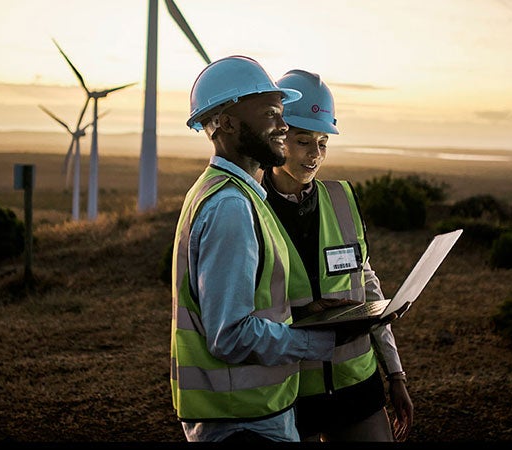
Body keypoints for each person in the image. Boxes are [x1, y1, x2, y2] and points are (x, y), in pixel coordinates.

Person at [169, 55, 371, 442]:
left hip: (251, 412)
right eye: (270, 114)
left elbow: (243, 304)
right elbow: (229, 335)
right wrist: (316, 341)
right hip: (240, 421)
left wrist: (302, 312)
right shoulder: (230, 205)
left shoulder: (238, 194)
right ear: (226, 123)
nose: (282, 125)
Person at [261, 69, 414, 442]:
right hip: (289, 391)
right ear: (278, 137)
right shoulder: (249, 207)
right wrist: (300, 314)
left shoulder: (342, 198)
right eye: (302, 141)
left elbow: (367, 286)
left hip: (357, 385)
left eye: (323, 142)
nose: (315, 155)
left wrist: (395, 373)